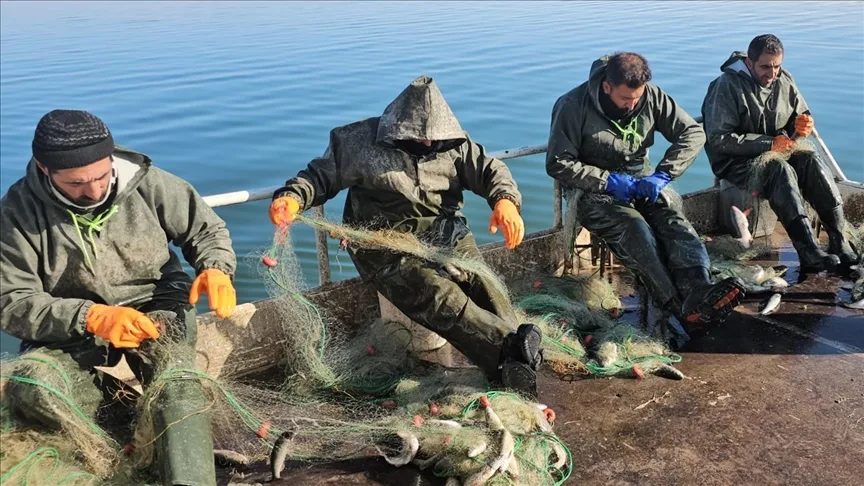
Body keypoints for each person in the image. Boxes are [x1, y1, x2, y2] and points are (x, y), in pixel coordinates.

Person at [0, 109, 237, 486]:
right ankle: (120, 420)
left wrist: (216, 268)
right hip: (73, 322)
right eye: (76, 183)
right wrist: (91, 317)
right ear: (45, 169)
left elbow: (206, 230)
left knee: (177, 385)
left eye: (101, 175)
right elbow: (11, 301)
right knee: (37, 388)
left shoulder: (148, 182)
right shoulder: (16, 213)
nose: (94, 191)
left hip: (155, 304)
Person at [269, 75, 545, 397]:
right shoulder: (356, 141)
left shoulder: (453, 142)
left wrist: (505, 201)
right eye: (419, 137)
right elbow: (318, 177)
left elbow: (489, 170)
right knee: (440, 294)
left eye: (433, 138)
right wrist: (292, 197)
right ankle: (510, 353)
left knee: (485, 283)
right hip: (383, 244)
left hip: (446, 232)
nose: (428, 143)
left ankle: (515, 354)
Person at [546, 52, 745, 328]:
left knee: (674, 222)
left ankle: (700, 288)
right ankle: (677, 306)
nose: (632, 105)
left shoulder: (651, 96)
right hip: (591, 191)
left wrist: (664, 174)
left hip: (641, 180)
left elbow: (692, 133)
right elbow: (558, 162)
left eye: (637, 98)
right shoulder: (571, 105)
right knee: (635, 229)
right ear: (607, 87)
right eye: (625, 99)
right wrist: (608, 181)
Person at [702, 34, 857, 273]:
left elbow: (801, 113)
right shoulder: (725, 86)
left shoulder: (784, 79)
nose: (772, 73)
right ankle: (808, 249)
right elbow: (719, 139)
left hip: (779, 149)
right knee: (778, 169)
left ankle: (839, 240)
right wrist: (768, 144)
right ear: (749, 62)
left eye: (777, 66)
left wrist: (803, 125)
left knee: (811, 160)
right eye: (765, 67)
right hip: (735, 162)